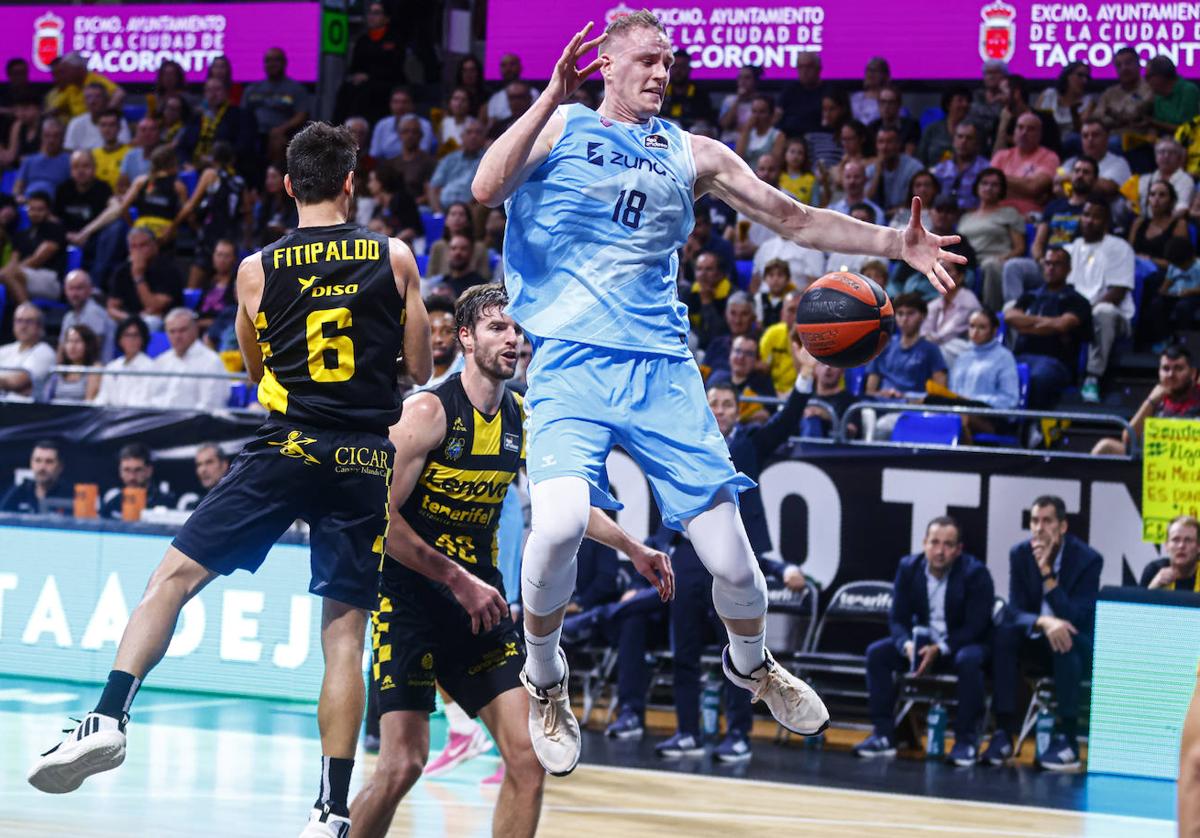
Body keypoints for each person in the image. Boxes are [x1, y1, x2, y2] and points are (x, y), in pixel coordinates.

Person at [471, 13, 962, 776]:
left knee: (735, 567)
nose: (662, 73)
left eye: (668, 62)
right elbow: (485, 186)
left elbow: (792, 218)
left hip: (664, 371)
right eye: (646, 60)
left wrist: (894, 242)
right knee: (560, 522)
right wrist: (546, 96)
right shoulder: (561, 125)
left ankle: (753, 664)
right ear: (605, 64)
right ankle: (544, 677)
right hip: (571, 361)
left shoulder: (693, 152)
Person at [26, 122, 433, 838]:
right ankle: (331, 810)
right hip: (367, 457)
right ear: (349, 182)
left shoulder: (255, 270)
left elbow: (255, 372)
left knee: (172, 579)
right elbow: (423, 368)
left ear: (286, 186)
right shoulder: (395, 256)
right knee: (344, 635)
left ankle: (109, 717)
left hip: (290, 444)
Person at [350, 284, 666, 836]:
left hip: (480, 607)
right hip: (408, 603)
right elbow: (376, 518)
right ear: (466, 338)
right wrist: (456, 578)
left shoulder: (525, 418)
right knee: (402, 764)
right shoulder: (426, 411)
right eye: (498, 327)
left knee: (529, 759)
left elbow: (567, 505)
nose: (513, 339)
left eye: (519, 329)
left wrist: (632, 548)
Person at [854, 516, 994, 765]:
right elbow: (897, 619)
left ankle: (966, 741)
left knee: (969, 660)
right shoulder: (909, 567)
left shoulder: (975, 573)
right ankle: (884, 735)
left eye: (948, 544)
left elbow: (977, 626)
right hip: (920, 648)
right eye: (935, 542)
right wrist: (907, 645)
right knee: (878, 654)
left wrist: (940, 648)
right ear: (924, 543)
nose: (940, 551)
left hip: (958, 646)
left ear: (959, 549)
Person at [985, 496, 1102, 772]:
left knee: (1065, 641)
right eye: (1034, 521)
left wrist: (1047, 574)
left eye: (1047, 521)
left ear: (1063, 527)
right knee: (1004, 636)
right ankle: (1003, 731)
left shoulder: (1088, 559)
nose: (1039, 528)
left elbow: (1076, 617)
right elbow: (1015, 612)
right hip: (1039, 636)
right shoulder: (1020, 553)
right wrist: (1045, 622)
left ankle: (1068, 739)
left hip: (1077, 644)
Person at [1064, 200, 1136, 402]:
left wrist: (1082, 314)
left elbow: (1118, 291)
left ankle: (1092, 377)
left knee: (1102, 311)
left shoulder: (1119, 247)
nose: (1089, 221)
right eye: (1086, 215)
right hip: (1077, 314)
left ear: (1106, 221)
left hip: (1116, 317)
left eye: (1096, 217)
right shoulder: (1072, 248)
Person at [1005, 247, 1093, 409]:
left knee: (1037, 379)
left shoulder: (1078, 301)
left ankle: (1034, 427)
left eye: (1057, 264)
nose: (1051, 268)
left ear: (1068, 269)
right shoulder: (1029, 296)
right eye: (1048, 263)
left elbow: (1062, 325)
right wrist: (1045, 323)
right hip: (1021, 356)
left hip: (1056, 362)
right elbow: (1010, 317)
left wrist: (1026, 325)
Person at [1091, 344, 1200, 455]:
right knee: (1104, 448)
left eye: (1178, 368)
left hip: (1192, 459)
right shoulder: (1156, 399)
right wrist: (1151, 401)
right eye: (1166, 369)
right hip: (1154, 458)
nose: (1171, 374)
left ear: (1193, 373)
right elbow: (1128, 440)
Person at [958, 168, 1025, 311]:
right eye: (984, 183)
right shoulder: (966, 218)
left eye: (995, 185)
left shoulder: (1009, 213)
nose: (988, 188)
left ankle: (990, 313)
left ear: (1001, 190)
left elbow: (1019, 248)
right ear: (977, 187)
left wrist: (1002, 258)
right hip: (969, 262)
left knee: (990, 265)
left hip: (996, 261)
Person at [864, 293, 949, 398]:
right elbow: (870, 392)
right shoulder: (883, 345)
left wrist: (906, 397)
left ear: (923, 316)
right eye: (900, 314)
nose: (904, 319)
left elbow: (940, 394)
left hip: (912, 409)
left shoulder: (931, 350)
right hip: (880, 406)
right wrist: (883, 394)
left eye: (910, 313)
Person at [104, 227, 184, 332]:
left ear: (155, 246)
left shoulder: (169, 269)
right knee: (105, 322)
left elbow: (154, 307)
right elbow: (111, 308)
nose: (138, 251)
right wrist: (131, 318)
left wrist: (138, 276)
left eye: (143, 245)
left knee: (150, 322)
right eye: (133, 246)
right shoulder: (122, 271)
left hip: (164, 321)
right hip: (131, 318)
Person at [150, 308, 230, 411]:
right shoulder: (161, 361)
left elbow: (211, 405)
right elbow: (150, 399)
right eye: (172, 331)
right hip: (158, 420)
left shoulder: (211, 361)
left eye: (182, 330)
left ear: (195, 330)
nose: (177, 336)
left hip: (195, 423)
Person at [244, 48, 311, 163]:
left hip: (282, 132)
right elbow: (243, 113)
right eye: (268, 61)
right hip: (254, 132)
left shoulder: (296, 89)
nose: (272, 64)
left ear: (284, 63)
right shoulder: (252, 89)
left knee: (277, 139)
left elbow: (301, 115)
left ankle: (275, 175)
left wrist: (281, 129)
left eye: (276, 60)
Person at [0, 190, 67, 304]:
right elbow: (13, 261)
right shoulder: (20, 235)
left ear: (48, 211)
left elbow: (38, 259)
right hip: (22, 277)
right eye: (31, 209)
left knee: (6, 274)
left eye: (40, 209)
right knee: (6, 274)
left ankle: (28, 311)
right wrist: (12, 270)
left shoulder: (55, 229)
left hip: (50, 279)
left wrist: (14, 270)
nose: (35, 213)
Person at [990, 111, 1060, 216]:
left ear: (1040, 134)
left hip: (1029, 216)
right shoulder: (1001, 156)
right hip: (998, 214)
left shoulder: (1049, 157)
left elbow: (1033, 187)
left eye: (1030, 129)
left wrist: (1001, 181)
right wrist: (1025, 190)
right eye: (1020, 127)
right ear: (1014, 131)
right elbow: (990, 186)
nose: (1024, 132)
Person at [920, 260, 982, 366]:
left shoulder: (968, 303)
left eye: (947, 270)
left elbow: (945, 336)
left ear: (960, 277)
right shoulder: (934, 304)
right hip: (937, 350)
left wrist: (926, 342)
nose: (942, 276)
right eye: (939, 272)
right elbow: (923, 333)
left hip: (964, 355)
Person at [1091, 47, 1153, 152]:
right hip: (1108, 139)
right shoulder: (1109, 93)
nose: (1124, 68)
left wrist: (1112, 115)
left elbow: (1134, 114)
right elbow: (1097, 119)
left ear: (1138, 65)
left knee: (1110, 144)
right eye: (1119, 65)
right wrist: (1119, 119)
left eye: (1128, 63)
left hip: (1137, 141)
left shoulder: (1149, 88)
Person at [1142, 238, 1200, 346]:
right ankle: (1163, 338)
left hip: (1193, 295)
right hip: (1176, 294)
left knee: (1183, 307)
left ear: (1190, 258)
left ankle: (1183, 338)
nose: (1180, 268)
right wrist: (1163, 291)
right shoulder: (1174, 266)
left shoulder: (1198, 266)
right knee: (1156, 304)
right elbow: (1167, 282)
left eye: (1182, 265)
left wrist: (1190, 291)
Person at [98, 442, 177, 519]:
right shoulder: (113, 504)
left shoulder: (166, 503)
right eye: (127, 470)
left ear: (149, 471)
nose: (132, 477)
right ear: (120, 471)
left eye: (138, 470)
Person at [708, 335, 776, 424]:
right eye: (737, 351)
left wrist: (740, 420)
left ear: (756, 360)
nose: (741, 357)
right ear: (730, 354)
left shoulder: (763, 384)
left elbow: (766, 415)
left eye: (748, 354)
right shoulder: (716, 379)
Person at [1061, 120, 1130, 202]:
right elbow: (1056, 184)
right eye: (1085, 136)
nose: (1090, 139)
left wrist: (1069, 179)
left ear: (1107, 138)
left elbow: (1105, 188)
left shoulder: (1119, 163)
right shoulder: (1071, 162)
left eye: (1095, 135)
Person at [94, 316, 156, 407]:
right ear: (120, 340)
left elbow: (146, 403)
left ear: (143, 339)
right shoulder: (111, 367)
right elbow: (103, 398)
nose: (131, 340)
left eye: (135, 335)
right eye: (127, 335)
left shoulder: (151, 368)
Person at [0, 302, 56, 399]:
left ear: (39, 326)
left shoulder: (45, 352)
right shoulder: (5, 350)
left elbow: (17, 382)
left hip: (26, 411)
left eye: (29, 321)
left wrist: (9, 384)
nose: (23, 326)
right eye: (19, 321)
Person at [0, 440, 72, 515]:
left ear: (60, 466)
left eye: (49, 461)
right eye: (38, 460)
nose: (42, 467)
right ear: (31, 463)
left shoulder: (69, 495)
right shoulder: (20, 491)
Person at [428, 119, 485, 213]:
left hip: (469, 210)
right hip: (443, 208)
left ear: (484, 137)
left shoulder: (487, 161)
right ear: (462, 137)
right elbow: (433, 188)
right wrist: (438, 212)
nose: (473, 136)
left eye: (478, 133)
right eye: (469, 132)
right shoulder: (449, 159)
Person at [866, 127, 924, 218]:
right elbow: (865, 200)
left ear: (898, 144)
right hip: (876, 219)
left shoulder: (913, 168)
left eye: (889, 142)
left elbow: (919, 200)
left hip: (907, 216)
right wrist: (877, 174)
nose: (884, 147)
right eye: (881, 142)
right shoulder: (871, 169)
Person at [1034, 62, 1094, 149]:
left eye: (1087, 77)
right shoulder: (1048, 94)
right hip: (1043, 140)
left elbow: (1082, 131)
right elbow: (1033, 119)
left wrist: (1074, 113)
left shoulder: (1088, 101)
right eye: (1080, 75)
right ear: (1067, 76)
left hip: (1069, 144)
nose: (1084, 81)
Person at [60, 269, 115, 361]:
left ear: (89, 290)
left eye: (79, 288)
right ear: (65, 290)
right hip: (76, 370)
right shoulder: (68, 317)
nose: (74, 294)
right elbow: (61, 350)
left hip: (97, 370)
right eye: (71, 288)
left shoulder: (94, 312)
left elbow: (92, 352)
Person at [14, 117, 70, 202]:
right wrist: (18, 197)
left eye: (56, 136)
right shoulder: (29, 161)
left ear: (63, 138)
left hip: (56, 205)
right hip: (28, 204)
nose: (51, 140)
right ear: (41, 137)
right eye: (47, 135)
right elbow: (18, 188)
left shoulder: (70, 161)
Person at [64, 83, 130, 152]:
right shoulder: (75, 123)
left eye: (97, 97)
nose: (92, 101)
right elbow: (69, 152)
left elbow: (124, 149)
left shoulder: (118, 121)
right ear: (84, 101)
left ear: (106, 100)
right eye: (88, 97)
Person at [1141, 516, 1200, 592]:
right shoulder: (1154, 570)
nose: (1181, 546)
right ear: (1166, 545)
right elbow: (1135, 603)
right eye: (1175, 540)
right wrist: (1153, 587)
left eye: (1188, 540)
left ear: (1198, 546)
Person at [778, 51, 830, 138]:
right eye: (800, 67)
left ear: (819, 68)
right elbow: (778, 119)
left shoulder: (830, 92)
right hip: (791, 140)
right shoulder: (789, 90)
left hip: (820, 139)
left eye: (809, 67)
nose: (804, 71)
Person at [45, 324, 102, 402]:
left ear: (88, 345)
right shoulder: (60, 369)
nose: (72, 346)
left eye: (77, 341)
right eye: (69, 341)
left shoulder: (95, 368)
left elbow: (89, 402)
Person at [917, 88, 971, 167]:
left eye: (968, 101)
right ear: (948, 105)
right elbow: (920, 159)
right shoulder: (932, 129)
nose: (965, 104)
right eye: (960, 100)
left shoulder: (974, 131)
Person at [1146, 56, 1200, 135]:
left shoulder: (1189, 91)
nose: (1147, 82)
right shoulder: (1158, 96)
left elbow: (1187, 130)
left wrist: (1153, 123)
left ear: (1161, 76)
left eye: (1148, 77)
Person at [486, 53, 542, 128]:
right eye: (504, 65)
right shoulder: (495, 98)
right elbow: (491, 125)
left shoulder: (533, 93)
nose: (508, 69)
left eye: (512, 64)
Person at [734, 94, 785, 172]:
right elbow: (737, 159)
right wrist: (746, 130)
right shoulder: (746, 133)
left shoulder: (778, 135)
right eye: (754, 111)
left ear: (770, 114)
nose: (756, 116)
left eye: (762, 112)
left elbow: (775, 164)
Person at [179, 443, 230, 512]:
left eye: (209, 462)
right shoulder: (194, 506)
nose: (202, 470)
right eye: (199, 464)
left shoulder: (239, 501)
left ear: (224, 465)